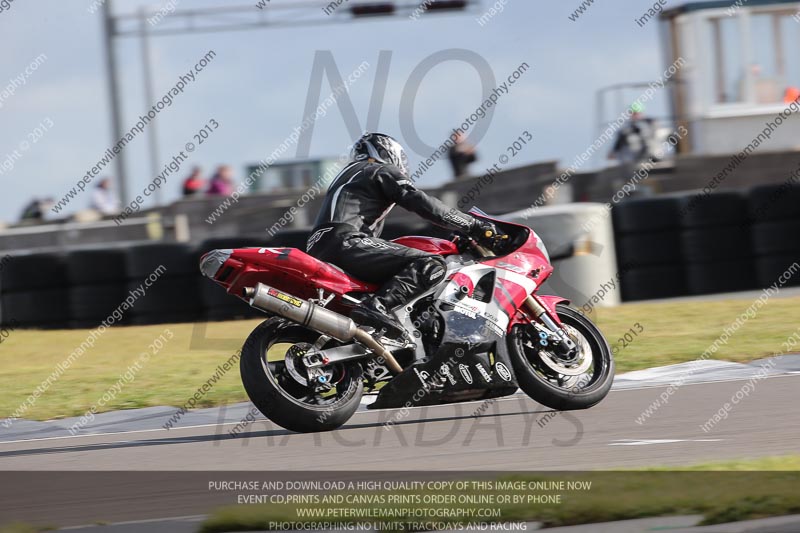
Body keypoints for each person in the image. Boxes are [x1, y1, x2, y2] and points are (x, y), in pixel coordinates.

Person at [306, 132, 501, 336]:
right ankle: (377, 307)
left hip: (320, 246)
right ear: (387, 151)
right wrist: (473, 224)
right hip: (346, 241)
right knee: (431, 264)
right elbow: (421, 202)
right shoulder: (378, 168)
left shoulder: (351, 175)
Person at [609, 102, 657, 167]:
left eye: (637, 113)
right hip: (632, 161)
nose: (635, 115)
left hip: (650, 157)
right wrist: (613, 152)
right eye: (633, 113)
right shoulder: (625, 130)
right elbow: (618, 144)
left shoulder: (651, 124)